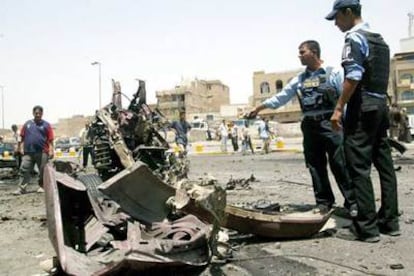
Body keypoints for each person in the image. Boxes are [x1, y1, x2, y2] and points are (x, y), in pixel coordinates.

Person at [247, 40, 356, 216]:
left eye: (302, 52)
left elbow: (345, 99)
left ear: (314, 53)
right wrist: (259, 108)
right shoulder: (299, 79)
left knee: (340, 164)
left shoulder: (333, 72)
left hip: (331, 124)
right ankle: (324, 203)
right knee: (315, 166)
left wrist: (347, 123)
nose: (299, 55)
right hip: (310, 126)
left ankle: (352, 203)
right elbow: (281, 97)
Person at [326, 0, 400, 242]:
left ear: (348, 12)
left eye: (337, 17)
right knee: (384, 164)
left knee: (357, 165)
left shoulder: (354, 38)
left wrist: (339, 108)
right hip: (380, 106)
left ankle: (366, 227)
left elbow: (354, 75)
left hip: (363, 106)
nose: (336, 23)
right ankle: (390, 222)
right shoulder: (380, 39)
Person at [13, 105, 54, 195]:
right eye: (36, 113)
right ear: (33, 113)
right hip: (28, 152)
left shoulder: (46, 125)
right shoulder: (27, 124)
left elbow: (51, 139)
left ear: (42, 114)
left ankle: (42, 186)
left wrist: (51, 150)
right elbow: (21, 137)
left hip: (42, 152)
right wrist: (19, 147)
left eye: (39, 113)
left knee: (43, 170)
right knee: (24, 169)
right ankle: (22, 188)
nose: (38, 115)